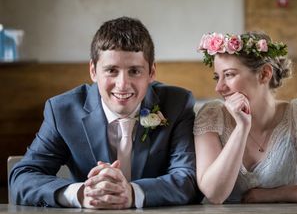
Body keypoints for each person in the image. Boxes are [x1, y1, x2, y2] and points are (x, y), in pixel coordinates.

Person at [9, 16, 202, 209]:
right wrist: (81, 194)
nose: (123, 84)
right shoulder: (63, 111)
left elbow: (189, 178)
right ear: (93, 71)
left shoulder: (177, 104)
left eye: (134, 71)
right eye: (111, 70)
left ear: (151, 72)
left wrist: (133, 193)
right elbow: (23, 177)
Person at [193, 31, 297, 204]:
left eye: (229, 75)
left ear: (264, 74)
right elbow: (215, 194)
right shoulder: (211, 115)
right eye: (217, 77)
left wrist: (274, 194)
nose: (219, 87)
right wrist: (241, 128)